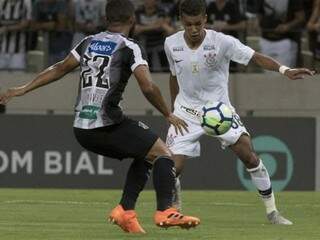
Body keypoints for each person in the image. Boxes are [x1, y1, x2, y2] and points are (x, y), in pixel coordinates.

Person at [0, 0, 200, 234]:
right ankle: (166, 210)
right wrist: (168, 113)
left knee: (146, 155)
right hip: (107, 123)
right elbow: (147, 86)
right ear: (132, 20)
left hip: (81, 128)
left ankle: (125, 211)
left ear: (106, 20)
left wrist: (23, 88)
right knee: (164, 153)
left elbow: (60, 68)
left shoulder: (88, 41)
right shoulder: (129, 46)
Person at [164, 0, 314, 225]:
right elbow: (174, 76)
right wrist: (173, 109)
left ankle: (273, 213)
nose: (193, 29)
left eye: (197, 23)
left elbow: (254, 57)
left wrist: (284, 70)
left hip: (219, 110)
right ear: (181, 21)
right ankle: (174, 209)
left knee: (249, 156)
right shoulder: (170, 43)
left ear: (205, 18)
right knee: (171, 168)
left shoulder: (222, 42)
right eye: (188, 25)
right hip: (186, 111)